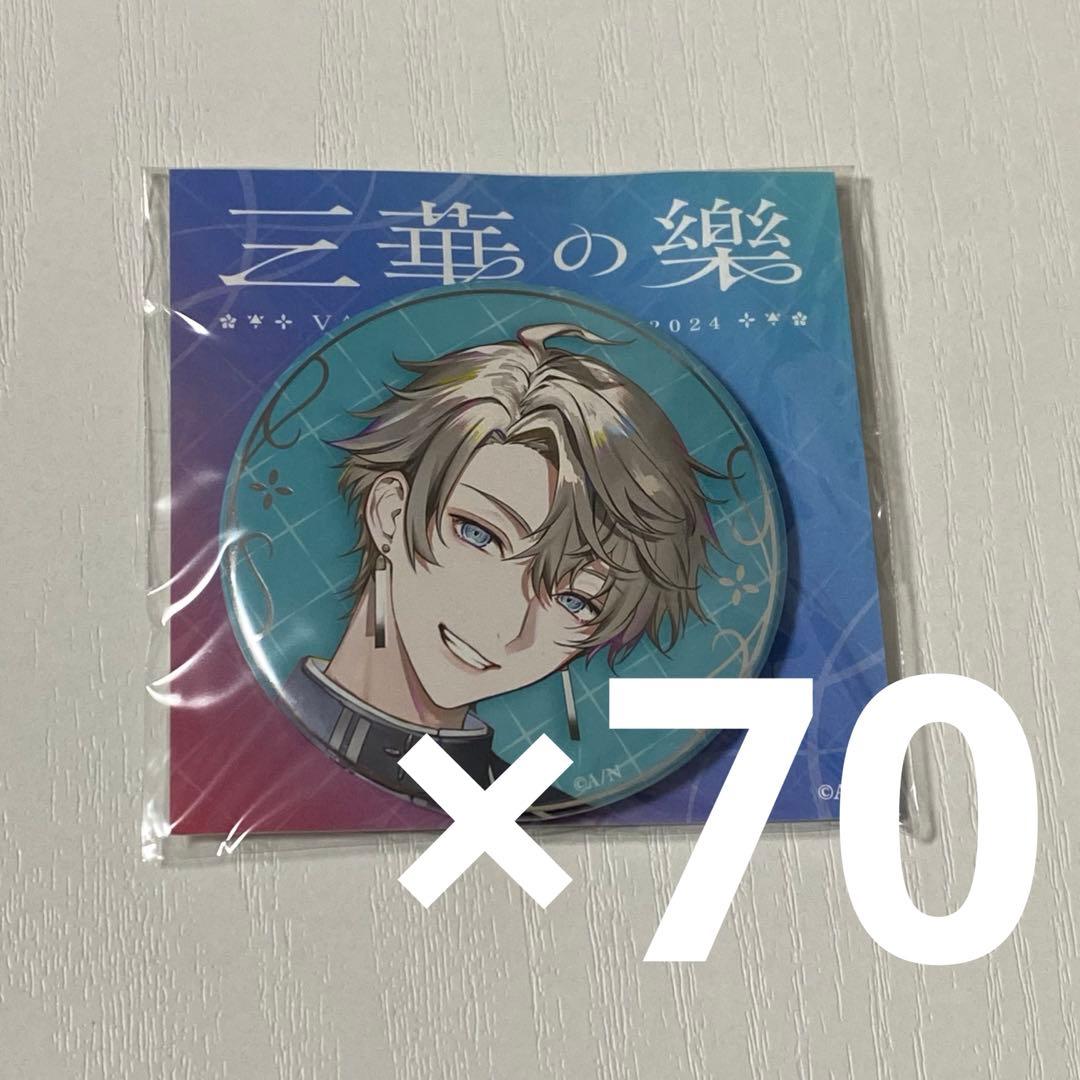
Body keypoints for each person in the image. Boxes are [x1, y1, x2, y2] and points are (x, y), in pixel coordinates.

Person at [282, 322, 722, 810]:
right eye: (479, 534)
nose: (508, 629)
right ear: (391, 512)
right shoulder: (236, 742)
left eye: (575, 600)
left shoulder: (547, 817)